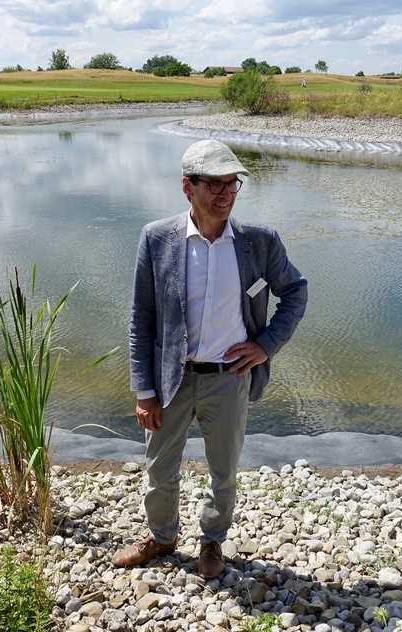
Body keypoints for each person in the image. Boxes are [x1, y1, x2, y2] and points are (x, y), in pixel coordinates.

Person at [112, 139, 308, 578]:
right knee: (159, 468)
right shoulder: (156, 238)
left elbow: (296, 292)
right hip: (171, 378)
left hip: (229, 378)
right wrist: (143, 391)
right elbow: (141, 318)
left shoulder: (259, 241)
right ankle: (162, 537)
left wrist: (265, 345)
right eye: (214, 184)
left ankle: (212, 541)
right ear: (188, 186)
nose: (225, 193)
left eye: (231, 184)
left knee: (224, 470)